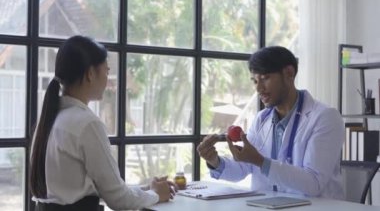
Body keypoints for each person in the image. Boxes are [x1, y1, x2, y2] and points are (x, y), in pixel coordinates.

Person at [30, 35, 176, 211]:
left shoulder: (51, 118)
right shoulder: (86, 123)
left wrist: (149, 189)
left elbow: (108, 190)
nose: (108, 79)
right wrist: (156, 195)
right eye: (106, 71)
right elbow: (118, 200)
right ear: (90, 74)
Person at [197, 46, 344, 199]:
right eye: (255, 81)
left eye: (265, 78)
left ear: (289, 73)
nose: (259, 88)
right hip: (267, 205)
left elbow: (313, 183)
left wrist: (261, 161)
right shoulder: (262, 119)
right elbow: (243, 168)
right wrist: (214, 160)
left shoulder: (325, 117)